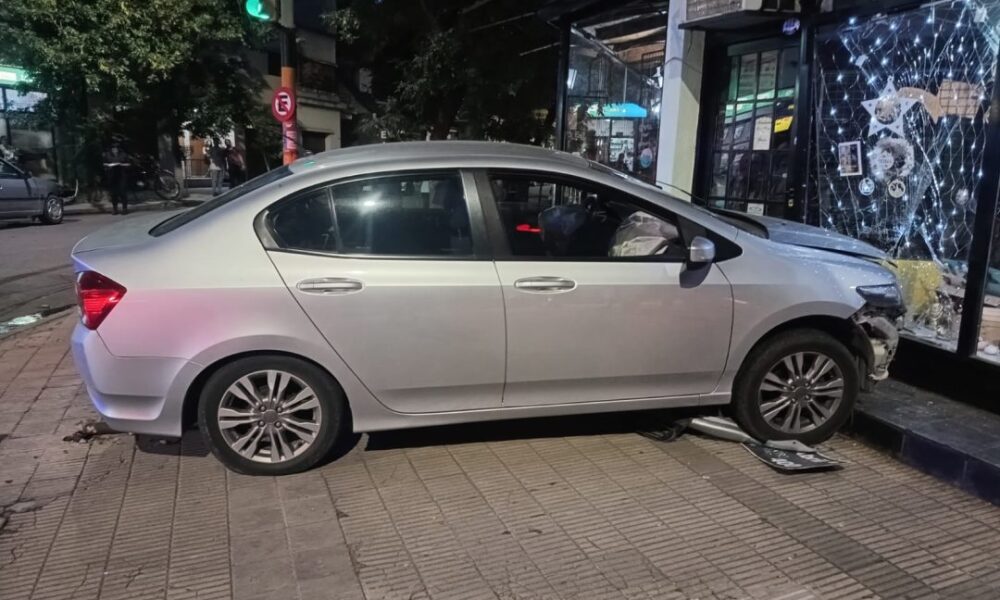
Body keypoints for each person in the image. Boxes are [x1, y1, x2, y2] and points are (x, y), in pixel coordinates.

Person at [102, 140, 130, 215]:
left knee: (122, 192)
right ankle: (115, 209)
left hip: (121, 175)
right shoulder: (107, 155)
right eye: (113, 148)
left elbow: (128, 164)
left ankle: (125, 208)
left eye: (116, 148)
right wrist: (109, 165)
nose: (115, 149)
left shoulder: (123, 154)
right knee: (113, 193)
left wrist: (121, 164)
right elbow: (104, 164)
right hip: (112, 176)